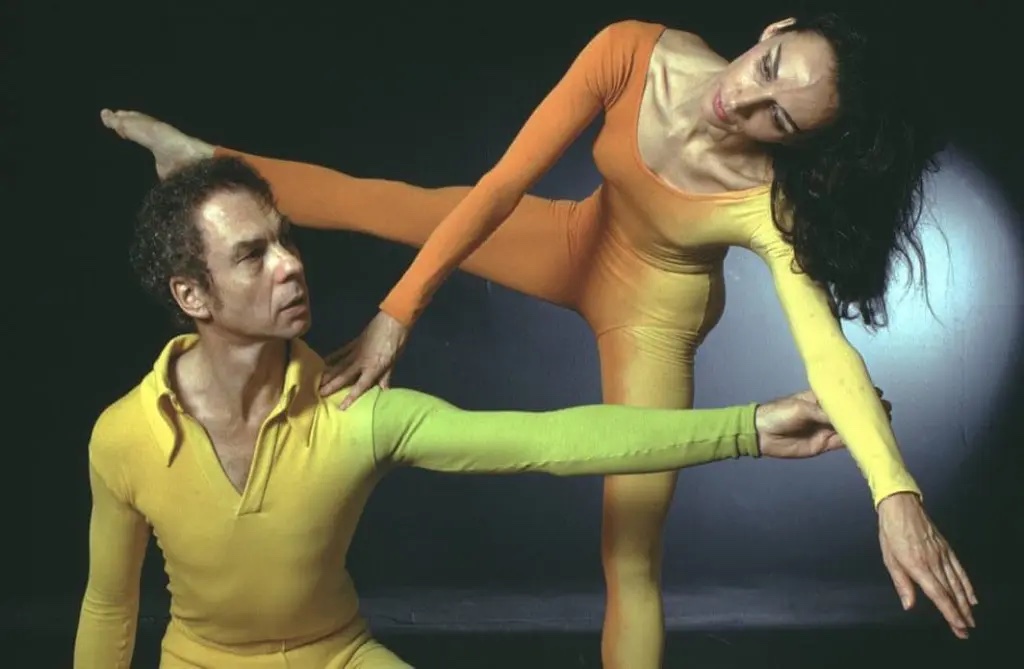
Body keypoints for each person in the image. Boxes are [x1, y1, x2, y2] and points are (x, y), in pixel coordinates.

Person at [98, 11, 977, 666]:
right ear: (773, 28)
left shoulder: (767, 199)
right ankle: (200, 157)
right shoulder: (633, 50)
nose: (743, 96)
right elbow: (502, 185)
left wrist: (892, 493)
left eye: (778, 118)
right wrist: (396, 315)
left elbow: (825, 348)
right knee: (402, 202)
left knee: (629, 544)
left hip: (655, 311)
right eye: (768, 64)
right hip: (573, 240)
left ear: (796, 145)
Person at [76, 155, 868, 669]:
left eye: (285, 240)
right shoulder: (123, 435)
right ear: (191, 295)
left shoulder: (355, 412)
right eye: (253, 254)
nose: (291, 265)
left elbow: (548, 440)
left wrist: (747, 427)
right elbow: (111, 603)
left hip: (336, 656)